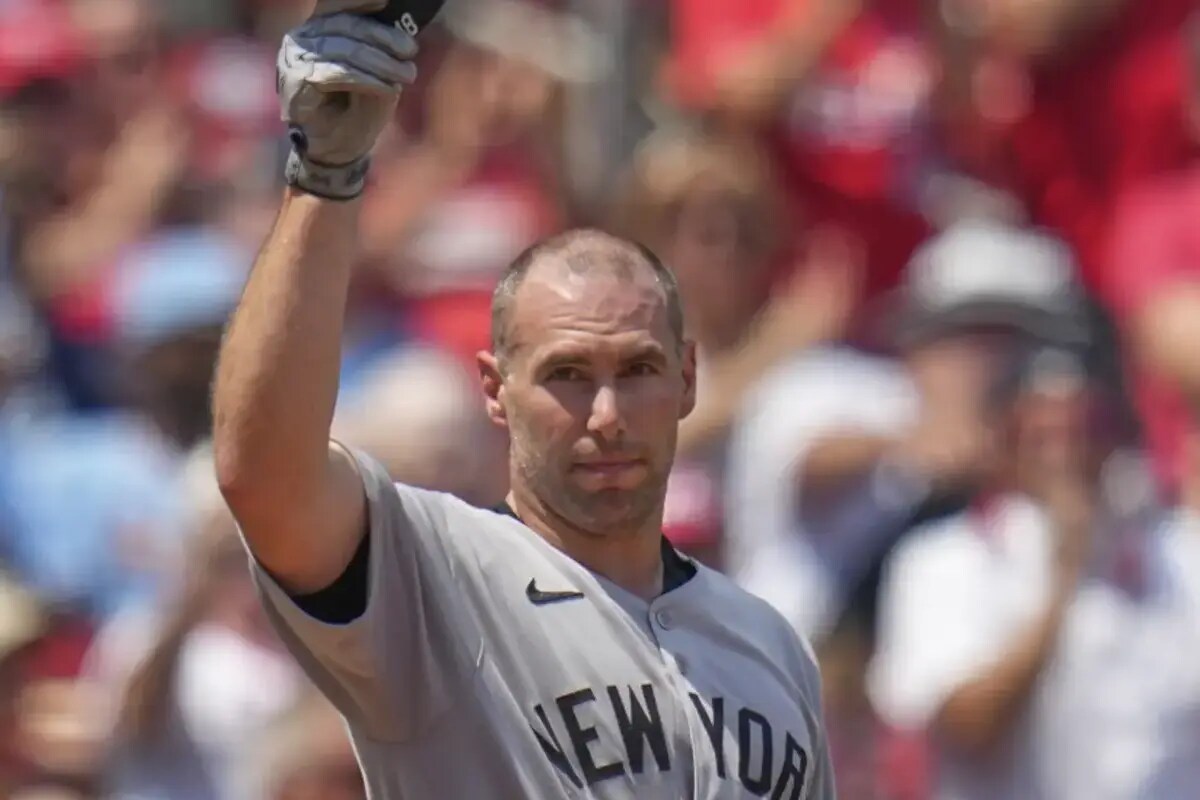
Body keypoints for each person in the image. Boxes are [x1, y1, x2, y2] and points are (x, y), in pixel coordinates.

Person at [212, 6, 835, 800]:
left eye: (638, 370)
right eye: (567, 375)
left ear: (687, 379)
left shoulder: (770, 645)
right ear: (496, 391)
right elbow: (263, 476)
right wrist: (325, 177)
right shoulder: (437, 573)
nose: (606, 414)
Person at [868, 346, 1200, 800]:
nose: (1064, 456)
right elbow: (966, 728)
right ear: (1001, 439)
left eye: (1085, 430)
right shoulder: (942, 560)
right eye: (1039, 435)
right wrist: (1061, 587)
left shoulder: (1178, 552)